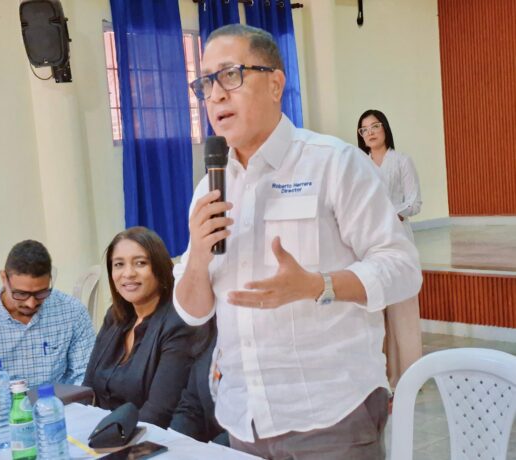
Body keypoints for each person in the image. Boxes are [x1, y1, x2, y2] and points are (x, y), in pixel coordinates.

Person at [173, 24, 422, 460]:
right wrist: (196, 256)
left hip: (331, 416)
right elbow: (194, 312)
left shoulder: (334, 164)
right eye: (205, 83)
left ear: (275, 84)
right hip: (244, 417)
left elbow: (402, 268)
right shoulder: (208, 189)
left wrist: (318, 285)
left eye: (230, 75)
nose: (215, 95)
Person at [83, 227, 205, 429]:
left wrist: (107, 438)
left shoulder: (178, 323)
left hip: (143, 436)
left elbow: (159, 413)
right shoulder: (115, 316)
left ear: (159, 268)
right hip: (98, 433)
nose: (128, 273)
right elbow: (88, 387)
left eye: (140, 263)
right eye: (119, 264)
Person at [0, 240, 95, 387]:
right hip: (1, 401)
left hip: (60, 400)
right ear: (4, 278)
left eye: (41, 293)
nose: (31, 304)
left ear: (50, 279)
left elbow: (85, 375)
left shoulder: (72, 311)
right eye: (21, 294)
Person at [357, 109, 423, 389]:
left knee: (402, 310)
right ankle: (380, 379)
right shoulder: (359, 164)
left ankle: (409, 378)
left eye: (375, 126)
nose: (370, 133)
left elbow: (415, 203)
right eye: (364, 129)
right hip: (369, 243)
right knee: (375, 309)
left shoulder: (401, 161)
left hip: (398, 239)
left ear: (385, 128)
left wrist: (390, 214)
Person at [169, 318, 228, 445]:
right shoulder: (208, 333)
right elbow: (191, 406)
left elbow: (255, 421)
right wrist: (173, 444)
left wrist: (210, 452)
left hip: (244, 449)